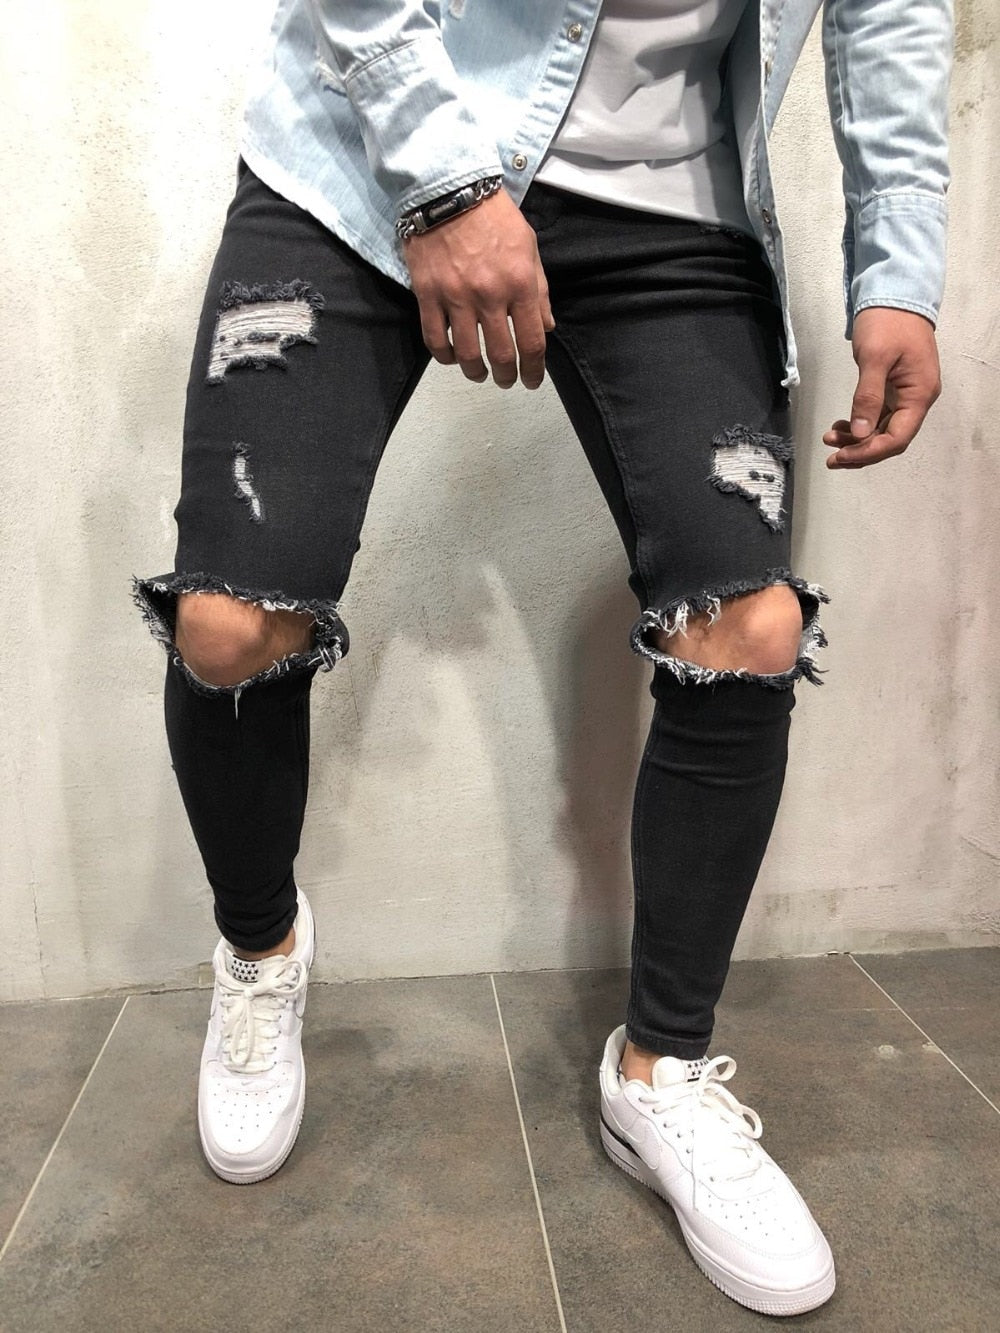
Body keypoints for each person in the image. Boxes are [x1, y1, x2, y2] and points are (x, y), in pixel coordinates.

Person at [134, 0, 951, 1316]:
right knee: (230, 625)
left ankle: (659, 1073)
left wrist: (898, 265)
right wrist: (449, 183)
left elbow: (890, 12)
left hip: (673, 201)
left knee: (747, 628)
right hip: (361, 161)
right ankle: (260, 947)